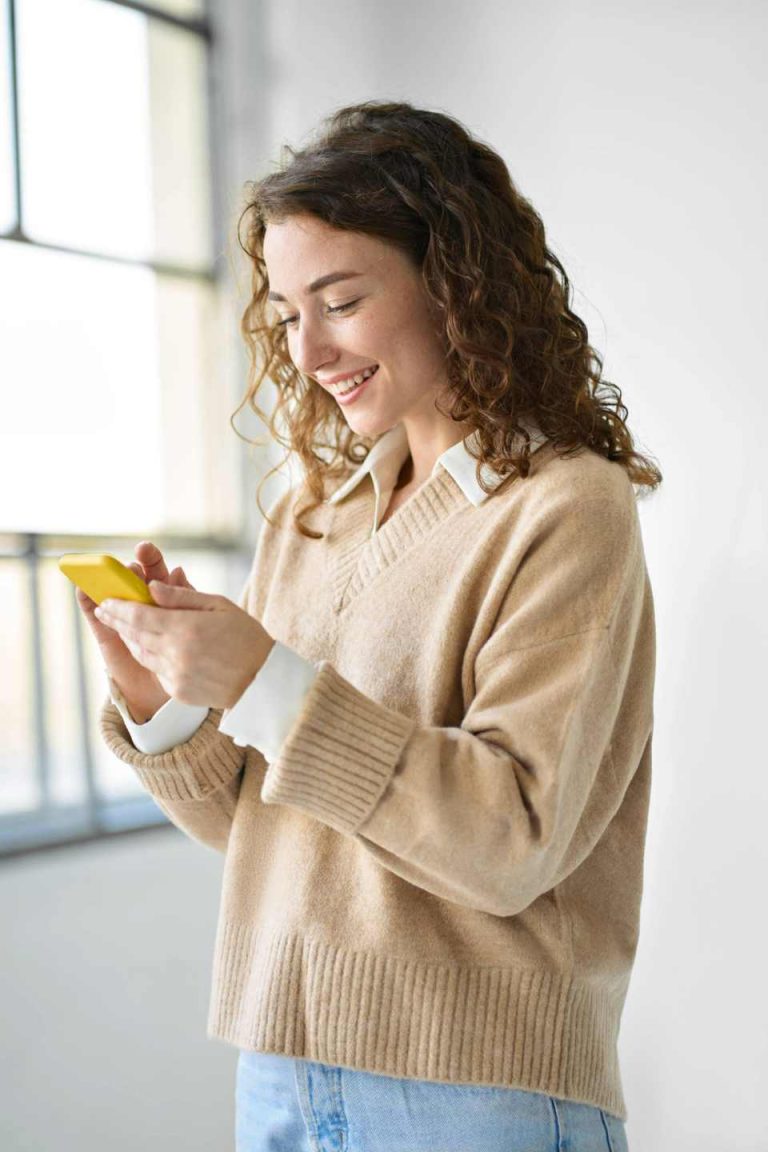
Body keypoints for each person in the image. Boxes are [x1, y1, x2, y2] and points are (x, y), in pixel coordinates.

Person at [83, 101, 661, 1152]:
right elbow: (270, 830)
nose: (308, 350)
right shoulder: (312, 515)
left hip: (475, 1092)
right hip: (279, 1067)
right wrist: (164, 702)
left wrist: (263, 681)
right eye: (286, 315)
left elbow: (509, 842)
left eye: (340, 301)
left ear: (455, 284)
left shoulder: (565, 507)